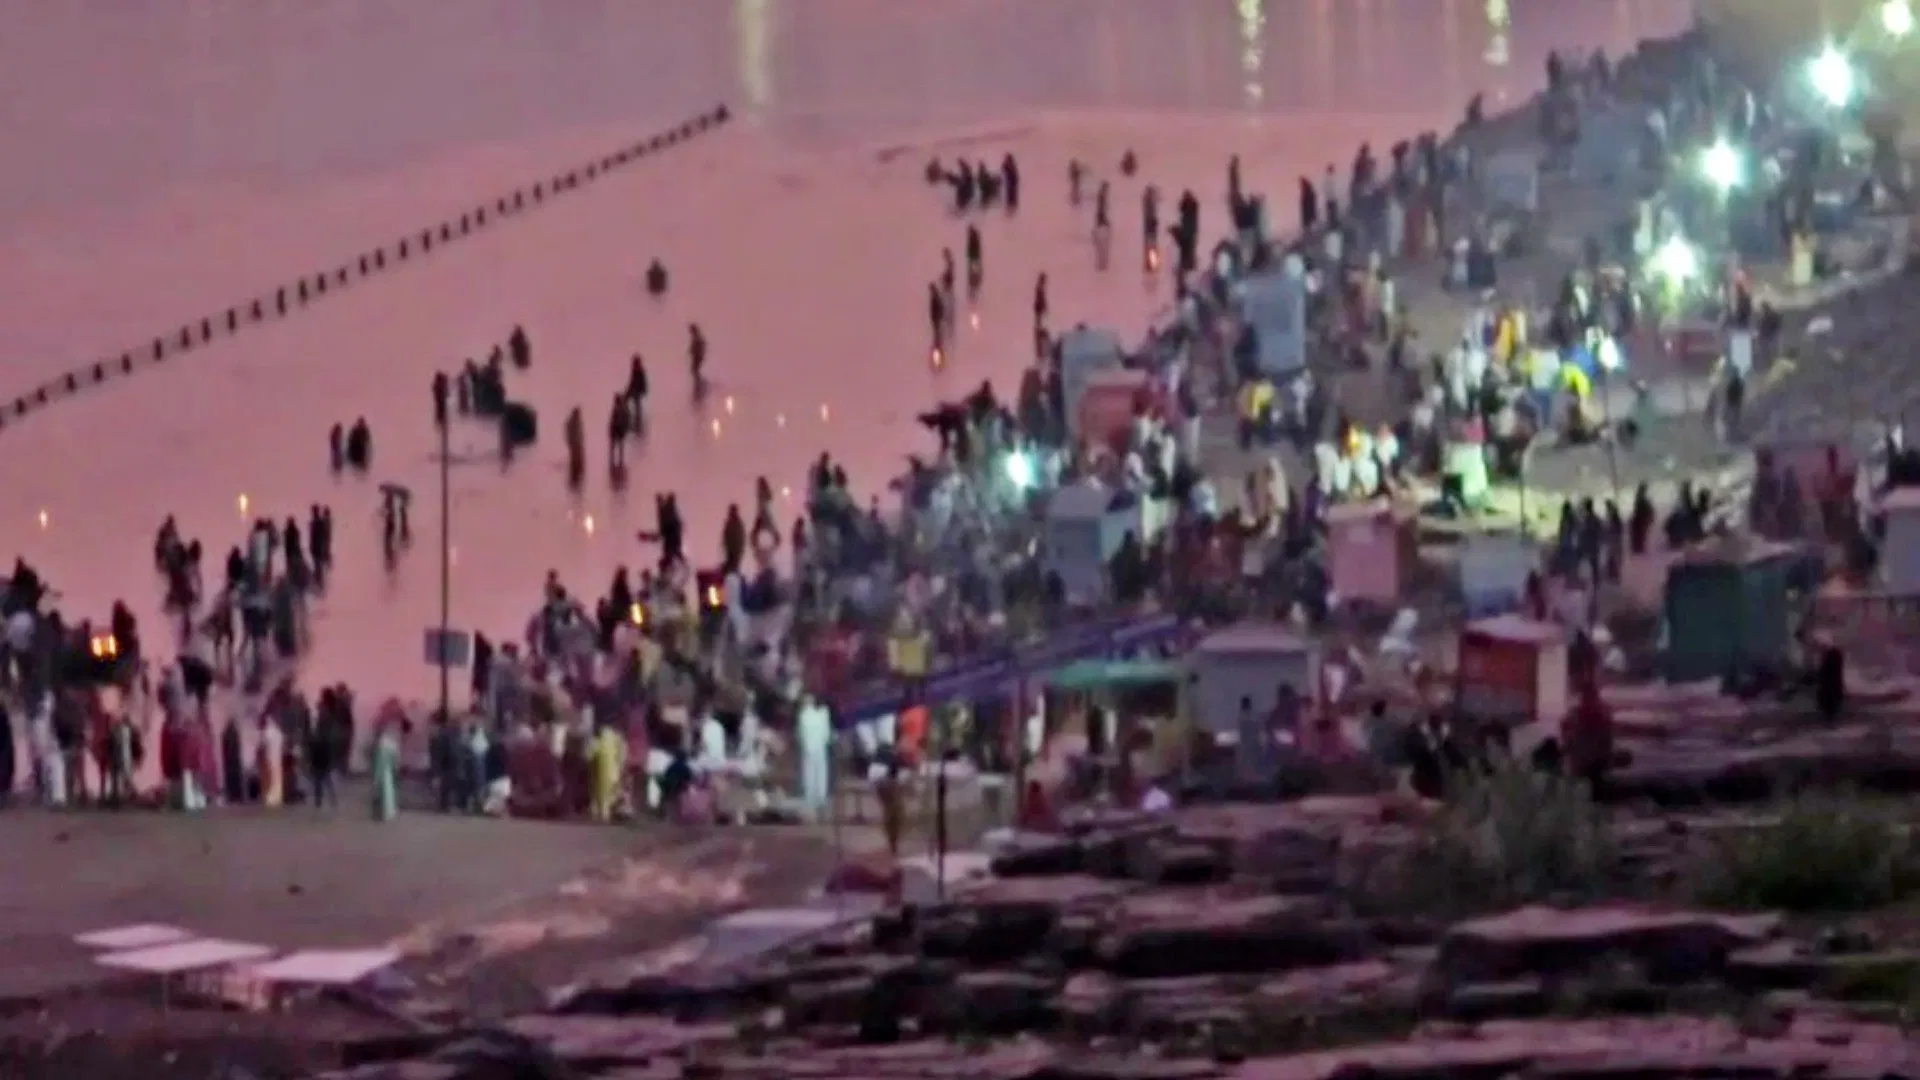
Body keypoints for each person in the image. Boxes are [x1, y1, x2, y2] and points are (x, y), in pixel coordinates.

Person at [372, 721, 400, 821]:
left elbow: (378, 761)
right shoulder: (393, 744)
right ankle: (388, 812)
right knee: (389, 792)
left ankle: (381, 812)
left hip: (382, 770)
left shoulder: (381, 744)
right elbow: (395, 760)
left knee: (381, 791)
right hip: (388, 771)